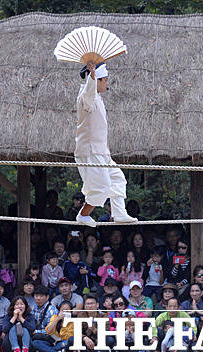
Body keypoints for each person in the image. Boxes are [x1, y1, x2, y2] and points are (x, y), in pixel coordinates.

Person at [73, 61, 137, 227]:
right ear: (97, 80)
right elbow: (89, 92)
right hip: (90, 152)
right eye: (105, 80)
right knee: (101, 188)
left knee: (118, 179)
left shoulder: (98, 99)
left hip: (101, 152)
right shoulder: (87, 98)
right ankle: (83, 215)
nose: (107, 83)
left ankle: (119, 213)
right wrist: (92, 75)